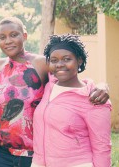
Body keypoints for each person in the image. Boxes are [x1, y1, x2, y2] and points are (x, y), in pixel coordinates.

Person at [0, 17, 110, 167]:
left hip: (35, 155)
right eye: (2, 37)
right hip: (3, 155)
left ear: (24, 36)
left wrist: (101, 86)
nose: (8, 41)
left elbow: (69, 79)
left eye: (14, 35)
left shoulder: (41, 63)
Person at [32, 34, 111, 167]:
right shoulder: (49, 85)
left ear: (79, 60)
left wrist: (103, 86)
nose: (60, 65)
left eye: (67, 59)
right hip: (39, 163)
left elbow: (102, 147)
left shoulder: (94, 99)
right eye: (54, 60)